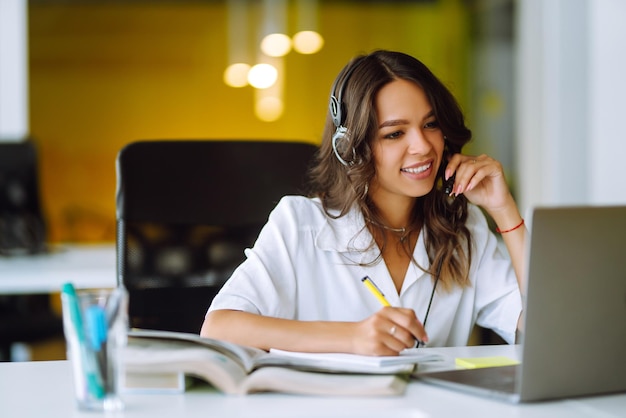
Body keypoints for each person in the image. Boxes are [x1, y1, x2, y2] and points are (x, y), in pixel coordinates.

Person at [201, 50, 526, 356]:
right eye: (395, 134)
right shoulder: (300, 224)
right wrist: (352, 337)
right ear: (351, 147)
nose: (423, 146)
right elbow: (219, 328)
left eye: (430, 124)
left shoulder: (461, 225)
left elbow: (538, 329)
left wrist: (503, 210)